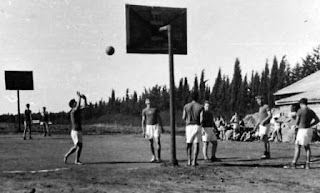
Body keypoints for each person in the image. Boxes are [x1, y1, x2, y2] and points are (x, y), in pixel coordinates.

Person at [284, 98, 319, 169]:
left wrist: (293, 125)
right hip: (309, 129)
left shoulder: (300, 111)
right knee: (307, 147)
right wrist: (311, 124)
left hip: (302, 129)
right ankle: (307, 164)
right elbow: (317, 120)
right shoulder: (310, 111)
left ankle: (294, 163)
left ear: (301, 103)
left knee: (297, 146)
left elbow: (297, 122)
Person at [64, 91, 87, 165]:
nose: (76, 103)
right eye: (75, 102)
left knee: (79, 146)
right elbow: (78, 106)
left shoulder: (77, 110)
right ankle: (75, 160)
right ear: (72, 105)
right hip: (75, 131)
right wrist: (79, 97)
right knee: (77, 146)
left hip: (79, 130)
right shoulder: (73, 111)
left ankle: (71, 157)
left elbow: (84, 106)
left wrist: (85, 99)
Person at [182, 92, 203, 166]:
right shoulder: (200, 106)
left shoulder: (186, 106)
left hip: (189, 125)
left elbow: (183, 117)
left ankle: (188, 160)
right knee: (196, 143)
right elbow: (201, 119)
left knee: (189, 143)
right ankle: (194, 161)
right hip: (197, 125)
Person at [141, 98, 164, 163]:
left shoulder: (155, 109)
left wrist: (161, 127)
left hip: (155, 126)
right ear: (146, 103)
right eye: (148, 103)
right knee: (151, 142)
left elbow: (159, 118)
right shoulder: (144, 111)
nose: (149, 104)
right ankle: (153, 156)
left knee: (157, 141)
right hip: (149, 127)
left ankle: (159, 157)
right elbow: (143, 121)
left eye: (150, 102)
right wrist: (143, 130)